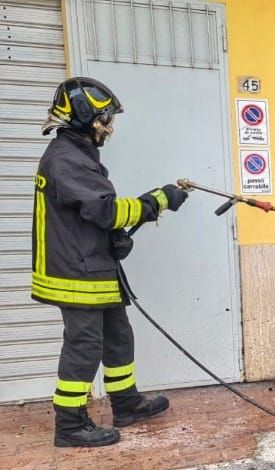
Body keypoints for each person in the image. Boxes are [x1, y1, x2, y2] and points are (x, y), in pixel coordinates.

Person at [34, 77, 188, 448]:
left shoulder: (78, 155)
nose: (109, 127)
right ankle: (70, 425)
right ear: (83, 116)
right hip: (75, 273)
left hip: (92, 266)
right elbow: (105, 210)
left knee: (118, 336)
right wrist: (157, 201)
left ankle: (126, 404)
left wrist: (114, 237)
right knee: (84, 346)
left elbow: (88, 214)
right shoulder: (66, 160)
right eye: (103, 119)